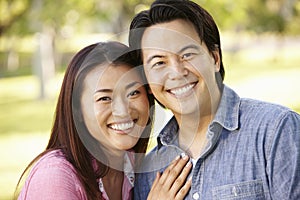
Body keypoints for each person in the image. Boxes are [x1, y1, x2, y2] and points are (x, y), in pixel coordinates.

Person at [128, 0, 300, 199]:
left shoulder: (276, 131)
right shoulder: (148, 175)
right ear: (147, 82)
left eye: (187, 54)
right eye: (159, 62)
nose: (177, 72)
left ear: (215, 58)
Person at [15, 41, 192, 200]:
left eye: (133, 93)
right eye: (104, 98)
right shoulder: (55, 177)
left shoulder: (133, 169)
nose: (123, 111)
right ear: (77, 110)